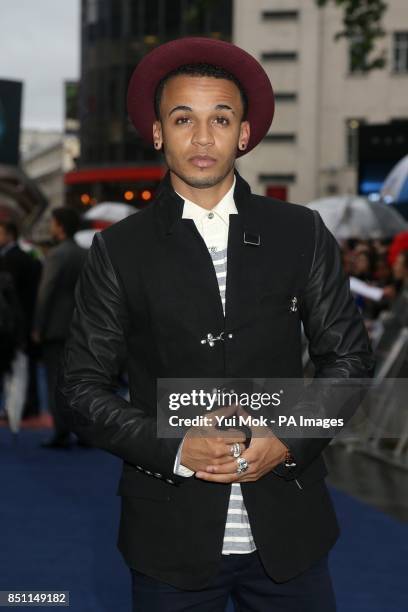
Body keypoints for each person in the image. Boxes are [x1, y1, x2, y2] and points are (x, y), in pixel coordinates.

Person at [59, 38, 374, 611]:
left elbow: (350, 363)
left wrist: (289, 439)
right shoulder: (118, 250)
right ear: (157, 132)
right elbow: (82, 389)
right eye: (184, 119)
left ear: (244, 134)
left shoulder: (300, 232)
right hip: (168, 536)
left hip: (290, 531)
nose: (202, 138)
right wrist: (176, 444)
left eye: (220, 119)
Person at [33, 207, 86, 448]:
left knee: (57, 380)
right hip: (82, 326)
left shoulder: (56, 255)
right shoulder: (85, 253)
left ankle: (61, 431)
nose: (51, 228)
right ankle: (85, 431)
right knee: (82, 381)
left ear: (61, 226)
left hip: (56, 327)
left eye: (53, 223)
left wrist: (37, 327)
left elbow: (46, 293)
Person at [0, 220, 42, 418]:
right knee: (24, 366)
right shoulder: (23, 256)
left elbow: (10, 296)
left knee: (17, 367)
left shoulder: (12, 259)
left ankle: (19, 407)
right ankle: (26, 405)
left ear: (9, 234)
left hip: (15, 322)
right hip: (24, 319)